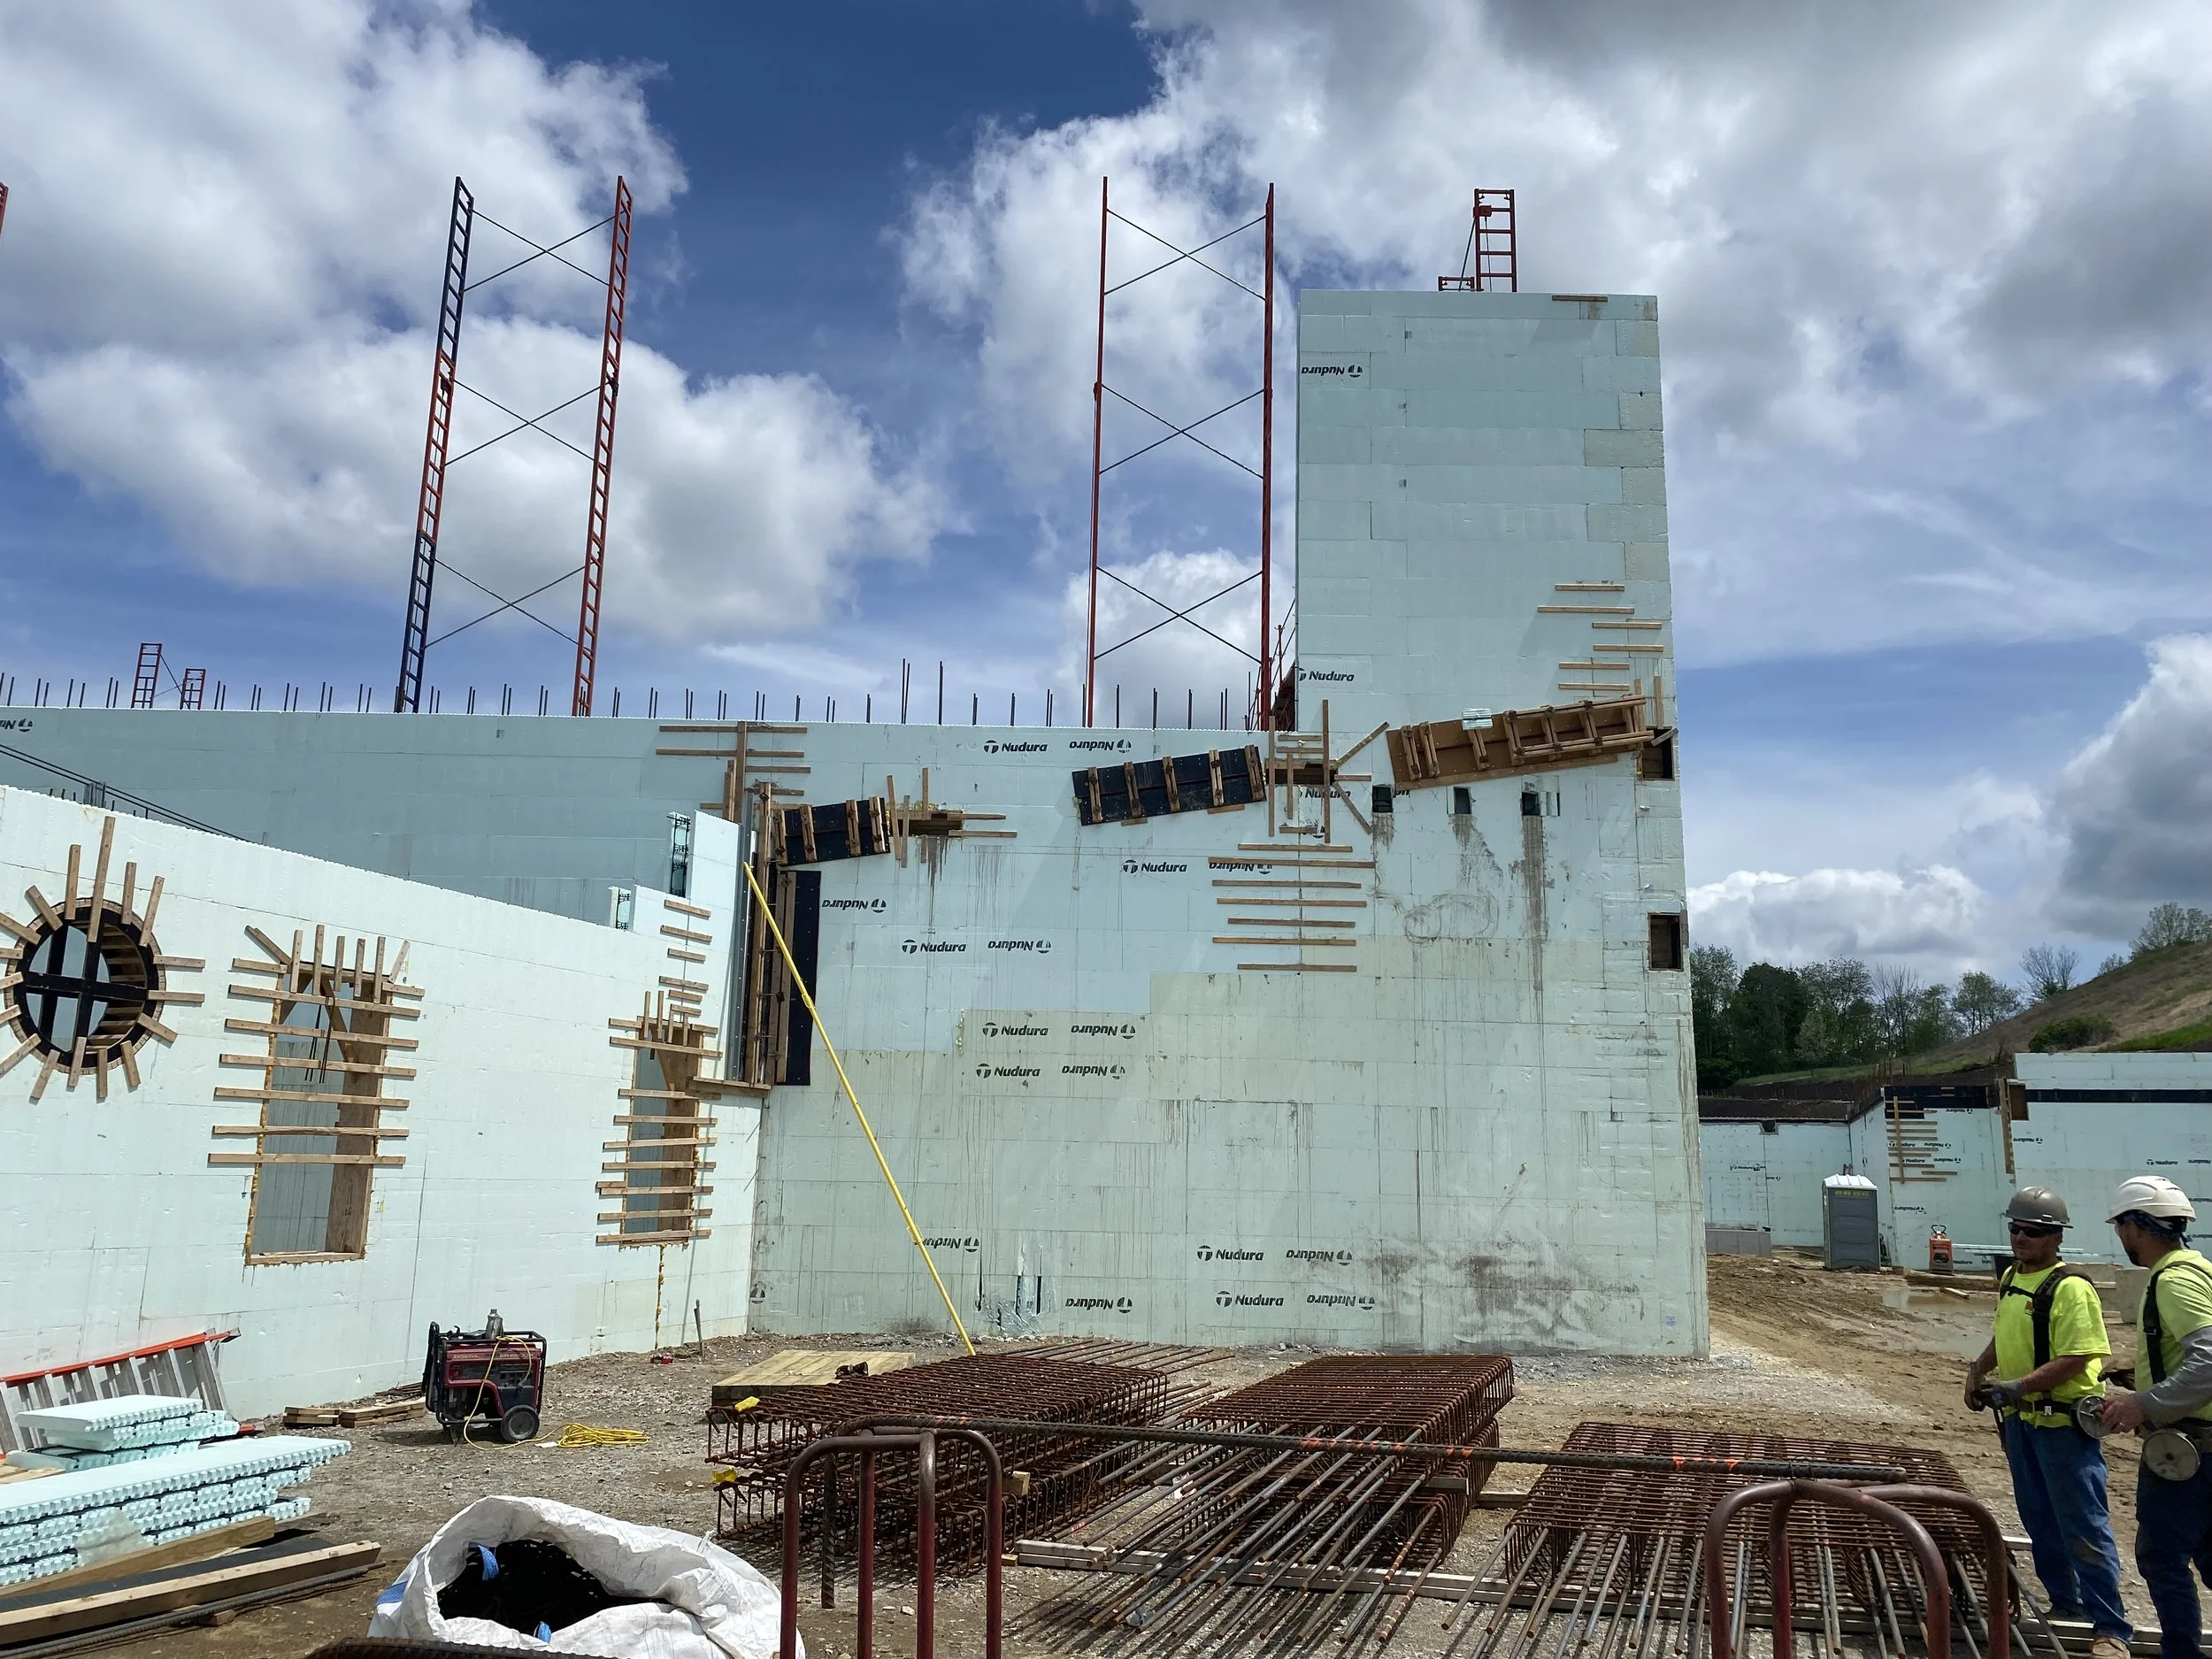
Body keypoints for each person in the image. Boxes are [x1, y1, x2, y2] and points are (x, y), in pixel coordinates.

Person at [1964, 1185, 2131, 1659]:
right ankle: (2067, 1606)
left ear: (2057, 1236)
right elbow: (2004, 1334)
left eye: (2033, 1231)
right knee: (2039, 1518)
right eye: (2015, 1228)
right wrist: (1979, 1369)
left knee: (2083, 1524)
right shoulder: (2012, 1278)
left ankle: (2111, 1628)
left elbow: (2078, 1357)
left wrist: (2018, 1386)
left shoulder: (2071, 1288)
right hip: (2022, 1425)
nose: (2021, 1237)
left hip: (2063, 1429)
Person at [2099, 1176, 2212, 1659]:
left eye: (2120, 1226)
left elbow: (2209, 1361)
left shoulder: (2173, 1281)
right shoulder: (2201, 1269)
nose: (2120, 1236)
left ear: (2134, 1226)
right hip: (2199, 1447)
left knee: (2162, 1556)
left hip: (2188, 1453)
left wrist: (2142, 1404)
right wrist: (2142, 1375)